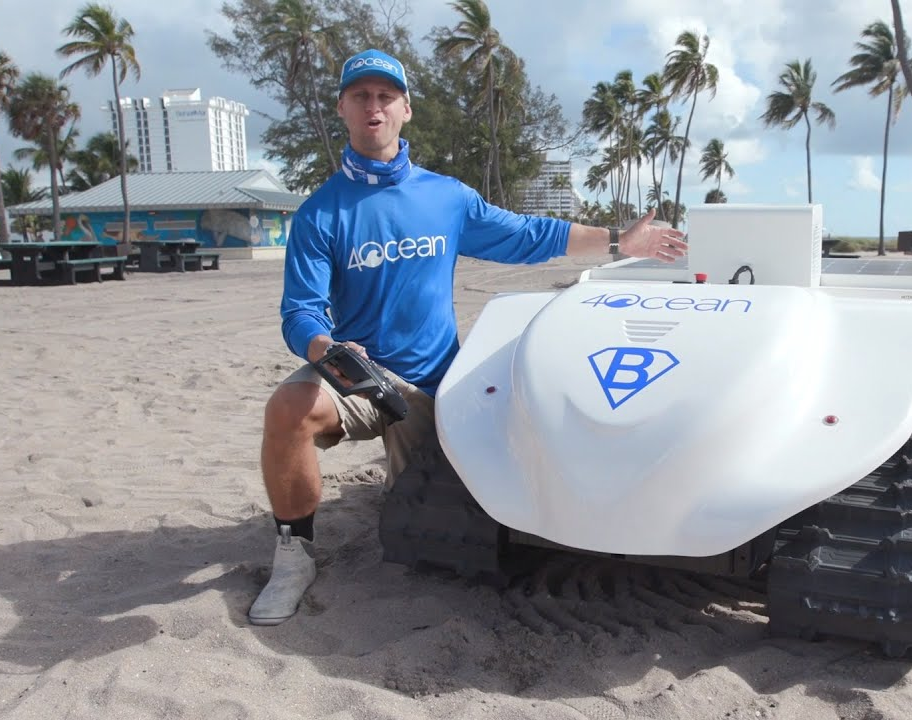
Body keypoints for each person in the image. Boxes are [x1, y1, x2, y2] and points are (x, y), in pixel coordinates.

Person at [248, 48, 689, 626]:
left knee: (433, 538)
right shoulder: (319, 214)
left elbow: (527, 235)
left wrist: (616, 241)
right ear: (343, 109)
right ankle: (293, 556)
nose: (374, 106)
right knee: (288, 407)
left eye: (385, 96)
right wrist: (325, 350)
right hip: (362, 381)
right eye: (360, 96)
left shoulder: (446, 197)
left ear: (405, 109)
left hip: (436, 386)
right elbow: (301, 312)